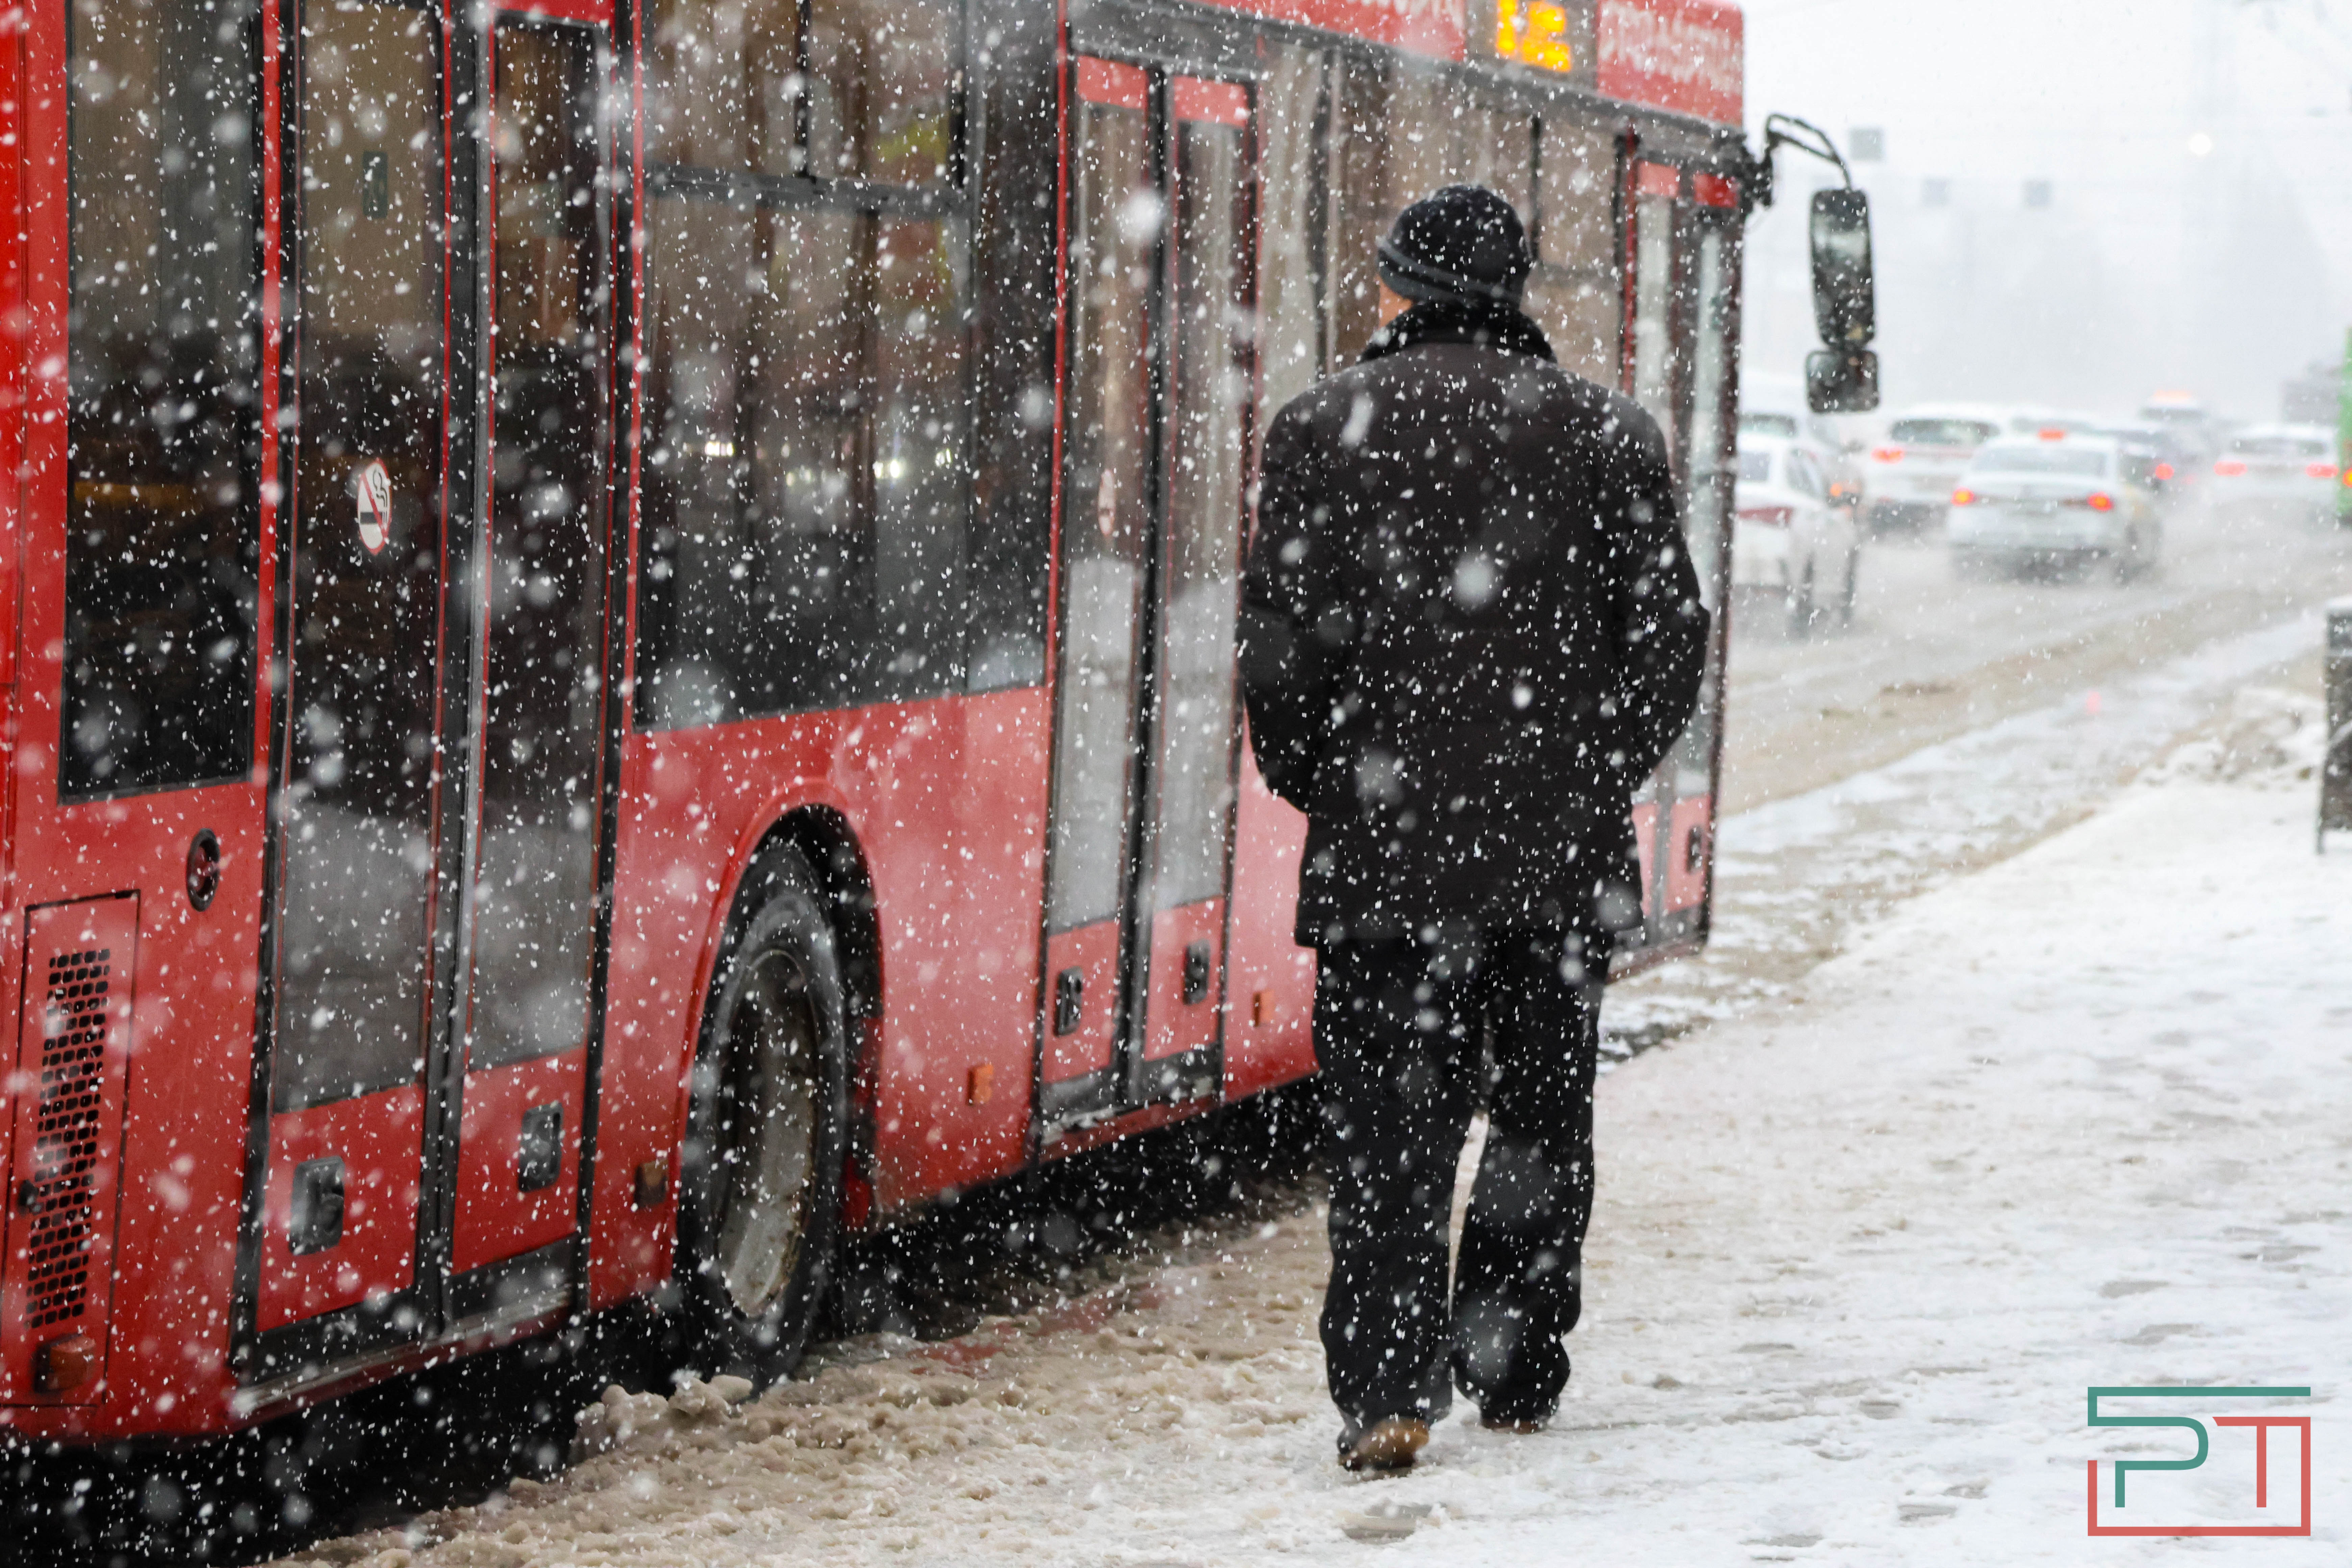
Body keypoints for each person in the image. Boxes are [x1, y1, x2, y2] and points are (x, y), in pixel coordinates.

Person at [1239, 185, 1708, 1473]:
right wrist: (1586, 769)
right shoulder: (1614, 436)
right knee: (1543, 1120)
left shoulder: (1320, 428)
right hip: (1558, 867)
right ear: (1518, 291)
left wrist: (1332, 781)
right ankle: (1512, 1370)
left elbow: (1277, 654)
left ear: (1394, 288)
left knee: (1390, 1132)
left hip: (1385, 858)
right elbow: (1672, 646)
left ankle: (1387, 1391)